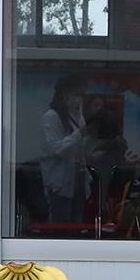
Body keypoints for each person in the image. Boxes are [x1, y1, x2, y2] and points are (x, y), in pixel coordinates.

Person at [40, 75, 92, 227]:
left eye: (82, 95)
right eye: (77, 95)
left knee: (77, 221)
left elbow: (81, 150)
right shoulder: (51, 117)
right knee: (61, 222)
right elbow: (56, 149)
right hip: (60, 181)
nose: (79, 100)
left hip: (79, 175)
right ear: (65, 94)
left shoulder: (78, 116)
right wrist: (79, 134)